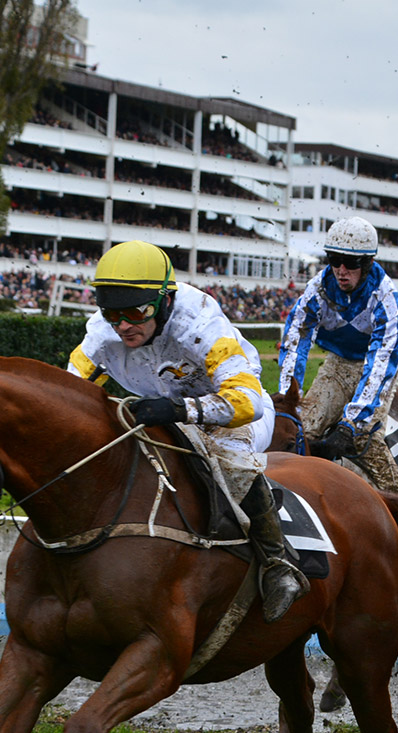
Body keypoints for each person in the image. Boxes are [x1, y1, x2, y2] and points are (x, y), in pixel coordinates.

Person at [66, 240, 308, 622]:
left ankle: (278, 564)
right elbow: (68, 389)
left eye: (135, 311)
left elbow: (248, 401)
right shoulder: (103, 332)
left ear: (164, 300)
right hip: (162, 410)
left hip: (233, 411)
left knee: (226, 459)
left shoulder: (199, 324)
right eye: (112, 313)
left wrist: (182, 409)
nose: (123, 325)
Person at [277, 216, 398, 495]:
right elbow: (295, 343)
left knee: (363, 437)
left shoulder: (385, 297)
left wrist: (351, 423)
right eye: (334, 259)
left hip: (380, 364)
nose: (341, 270)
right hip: (338, 364)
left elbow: (380, 363)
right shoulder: (316, 290)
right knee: (306, 429)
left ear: (367, 265)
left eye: (351, 263)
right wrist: (286, 397)